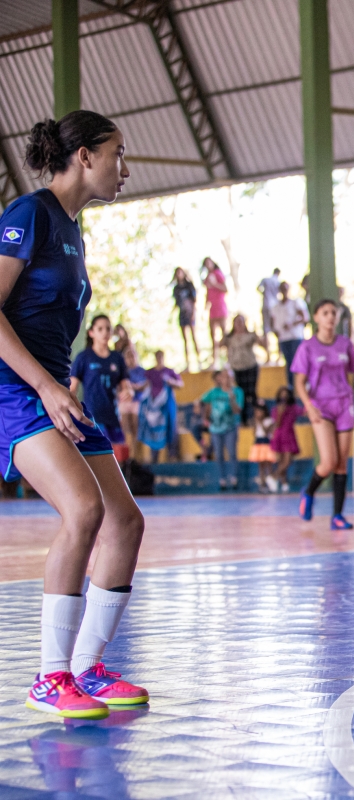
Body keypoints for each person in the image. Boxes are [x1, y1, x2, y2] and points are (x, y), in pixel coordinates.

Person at [0, 109, 146, 718]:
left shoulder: (72, 229)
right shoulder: (29, 214)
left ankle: (87, 668)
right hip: (15, 393)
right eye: (117, 153)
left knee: (125, 522)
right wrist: (45, 386)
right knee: (84, 510)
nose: (125, 168)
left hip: (56, 392)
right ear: (84, 156)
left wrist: (59, 387)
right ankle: (50, 677)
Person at [292, 299, 354, 529]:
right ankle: (309, 491)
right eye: (325, 312)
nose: (330, 316)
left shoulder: (345, 344)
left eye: (333, 312)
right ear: (316, 318)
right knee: (328, 461)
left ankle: (337, 516)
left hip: (344, 405)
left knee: (341, 464)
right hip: (320, 407)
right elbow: (299, 382)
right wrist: (308, 405)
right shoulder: (308, 347)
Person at [70, 315, 131, 462]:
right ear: (91, 332)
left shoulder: (117, 358)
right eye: (100, 329)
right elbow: (71, 390)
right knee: (101, 459)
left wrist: (128, 392)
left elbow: (126, 386)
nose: (105, 332)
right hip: (93, 418)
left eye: (108, 329)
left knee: (120, 460)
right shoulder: (84, 357)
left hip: (114, 417)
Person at [195, 367, 243, 490]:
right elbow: (201, 401)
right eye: (223, 376)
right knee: (219, 455)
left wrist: (232, 398)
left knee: (232, 453)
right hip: (215, 429)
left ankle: (234, 478)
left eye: (228, 377)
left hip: (230, 428)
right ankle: (222, 479)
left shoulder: (237, 391)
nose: (226, 379)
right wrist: (203, 415)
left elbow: (237, 411)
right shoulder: (214, 392)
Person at [222, 313, 265, 425]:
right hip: (236, 368)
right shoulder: (229, 337)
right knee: (241, 394)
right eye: (237, 322)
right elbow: (221, 345)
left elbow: (262, 344)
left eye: (241, 322)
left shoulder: (250, 335)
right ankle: (244, 419)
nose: (239, 324)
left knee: (252, 392)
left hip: (250, 366)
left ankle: (258, 418)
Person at [141, 350, 182, 463]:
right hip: (154, 406)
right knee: (154, 428)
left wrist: (171, 382)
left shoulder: (169, 371)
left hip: (167, 405)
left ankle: (172, 455)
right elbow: (144, 385)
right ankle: (154, 457)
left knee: (171, 427)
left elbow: (180, 384)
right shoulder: (150, 372)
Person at [271, 281, 309, 388]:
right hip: (283, 338)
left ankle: (302, 385)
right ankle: (291, 386)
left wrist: (292, 324)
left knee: (298, 361)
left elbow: (305, 318)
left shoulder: (296, 302)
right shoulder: (275, 307)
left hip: (295, 337)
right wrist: (276, 332)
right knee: (289, 363)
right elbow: (272, 322)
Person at [266, 386, 300, 493]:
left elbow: (303, 411)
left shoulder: (293, 408)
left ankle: (274, 477)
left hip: (289, 435)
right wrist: (280, 413)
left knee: (288, 460)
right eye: (282, 395)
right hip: (280, 435)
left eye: (286, 395)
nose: (284, 398)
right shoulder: (275, 409)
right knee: (281, 460)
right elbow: (277, 424)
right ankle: (283, 482)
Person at [117, 343, 147, 462]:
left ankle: (135, 457)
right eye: (128, 356)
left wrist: (133, 387)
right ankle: (125, 457)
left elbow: (145, 385)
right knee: (124, 429)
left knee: (136, 428)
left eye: (132, 356)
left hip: (137, 403)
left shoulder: (142, 371)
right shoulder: (122, 371)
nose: (131, 359)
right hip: (124, 402)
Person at [201, 257, 228, 366]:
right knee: (213, 335)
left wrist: (215, 284)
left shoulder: (218, 273)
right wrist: (205, 308)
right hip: (212, 310)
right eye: (206, 263)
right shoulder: (207, 277)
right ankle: (215, 360)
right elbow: (207, 294)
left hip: (221, 307)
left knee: (224, 334)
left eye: (209, 262)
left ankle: (228, 359)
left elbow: (225, 288)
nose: (208, 265)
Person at [172, 266, 200, 372]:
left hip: (190, 313)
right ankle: (188, 363)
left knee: (194, 337)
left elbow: (194, 300)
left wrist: (193, 313)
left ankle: (199, 361)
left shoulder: (189, 285)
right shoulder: (176, 289)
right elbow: (176, 303)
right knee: (185, 339)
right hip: (182, 314)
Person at [247, 401, 275, 493]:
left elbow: (266, 432)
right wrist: (255, 423)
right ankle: (262, 483)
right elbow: (255, 433)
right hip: (258, 443)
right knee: (261, 466)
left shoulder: (269, 421)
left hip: (266, 444)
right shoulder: (255, 421)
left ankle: (271, 482)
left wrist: (260, 422)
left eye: (259, 411)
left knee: (268, 465)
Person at [257, 267, 281, 363]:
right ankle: (279, 356)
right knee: (277, 330)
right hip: (274, 306)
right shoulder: (277, 282)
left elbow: (258, 288)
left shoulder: (266, 280)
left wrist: (264, 293)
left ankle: (268, 356)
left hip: (266, 305)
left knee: (266, 331)